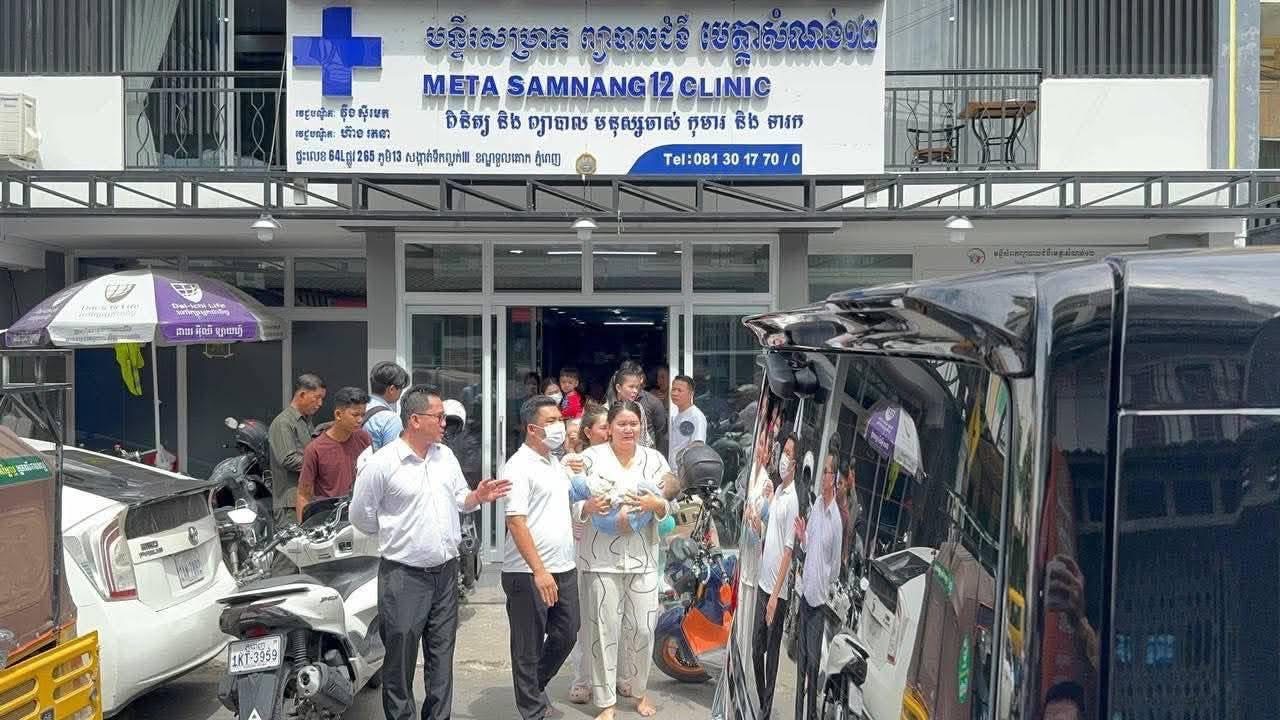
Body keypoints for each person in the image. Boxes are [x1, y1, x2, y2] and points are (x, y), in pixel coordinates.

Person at [351, 385, 511, 720]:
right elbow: (362, 517)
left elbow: (460, 498)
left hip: (445, 573)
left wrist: (477, 497)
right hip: (403, 576)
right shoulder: (382, 464)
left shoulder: (445, 456)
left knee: (441, 657)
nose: (444, 423)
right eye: (438, 417)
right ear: (414, 420)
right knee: (400, 660)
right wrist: (398, 532)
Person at [574, 401, 675, 720]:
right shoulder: (590, 458)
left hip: (644, 559)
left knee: (644, 629)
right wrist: (588, 507)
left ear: (641, 426)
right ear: (610, 427)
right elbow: (571, 498)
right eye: (622, 424)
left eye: (634, 423)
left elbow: (668, 506)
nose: (628, 429)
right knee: (603, 631)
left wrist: (655, 504)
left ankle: (640, 691)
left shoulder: (654, 460)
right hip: (600, 560)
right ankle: (606, 702)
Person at [502, 395, 596, 720]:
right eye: (551, 422)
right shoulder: (518, 467)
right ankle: (533, 710)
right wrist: (539, 571)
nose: (560, 427)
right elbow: (516, 521)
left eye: (560, 419)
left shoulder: (554, 463)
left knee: (567, 632)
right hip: (528, 571)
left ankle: (533, 685)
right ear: (532, 429)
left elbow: (575, 495)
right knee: (527, 645)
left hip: (564, 566)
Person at [793, 452, 844, 720]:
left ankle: (811, 715)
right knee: (801, 663)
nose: (822, 476)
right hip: (805, 595)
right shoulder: (815, 510)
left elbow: (835, 567)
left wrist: (823, 580)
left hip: (819, 602)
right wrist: (802, 538)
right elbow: (807, 546)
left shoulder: (836, 520)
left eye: (826, 471)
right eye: (822, 471)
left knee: (813, 665)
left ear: (834, 478)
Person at [753, 431, 799, 720]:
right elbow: (769, 532)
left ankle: (766, 711)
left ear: (795, 463)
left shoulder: (793, 499)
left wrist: (774, 597)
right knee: (756, 650)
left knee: (771, 654)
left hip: (776, 592)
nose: (784, 457)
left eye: (789, 454)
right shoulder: (780, 490)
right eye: (785, 451)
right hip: (762, 582)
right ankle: (762, 700)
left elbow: (788, 552)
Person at [567, 402, 611, 705]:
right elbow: (566, 501)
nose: (609, 432)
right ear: (588, 431)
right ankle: (582, 679)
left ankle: (616, 677)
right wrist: (586, 507)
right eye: (603, 427)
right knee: (584, 618)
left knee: (614, 618)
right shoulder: (576, 463)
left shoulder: (626, 459)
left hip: (614, 550)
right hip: (582, 549)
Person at [297, 386, 371, 521]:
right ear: (338, 415)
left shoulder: (364, 439)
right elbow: (304, 494)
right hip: (329, 520)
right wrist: (303, 528)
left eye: (363, 415)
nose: (360, 420)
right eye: (355, 415)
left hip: (359, 518)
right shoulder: (315, 449)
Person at [269, 373, 326, 525]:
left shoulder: (306, 422)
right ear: (302, 394)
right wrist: (322, 464)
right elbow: (288, 459)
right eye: (317, 397)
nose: (320, 403)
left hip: (307, 500)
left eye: (322, 399)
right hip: (291, 505)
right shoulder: (283, 423)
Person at [366, 361, 409, 451]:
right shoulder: (390, 419)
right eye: (401, 388)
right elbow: (393, 455)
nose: (401, 392)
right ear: (392, 389)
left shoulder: (359, 408)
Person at [668, 375, 707, 465]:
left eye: (679, 390)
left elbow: (698, 445)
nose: (675, 393)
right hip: (673, 469)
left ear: (691, 394)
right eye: (673, 389)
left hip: (687, 469)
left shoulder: (696, 416)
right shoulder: (676, 416)